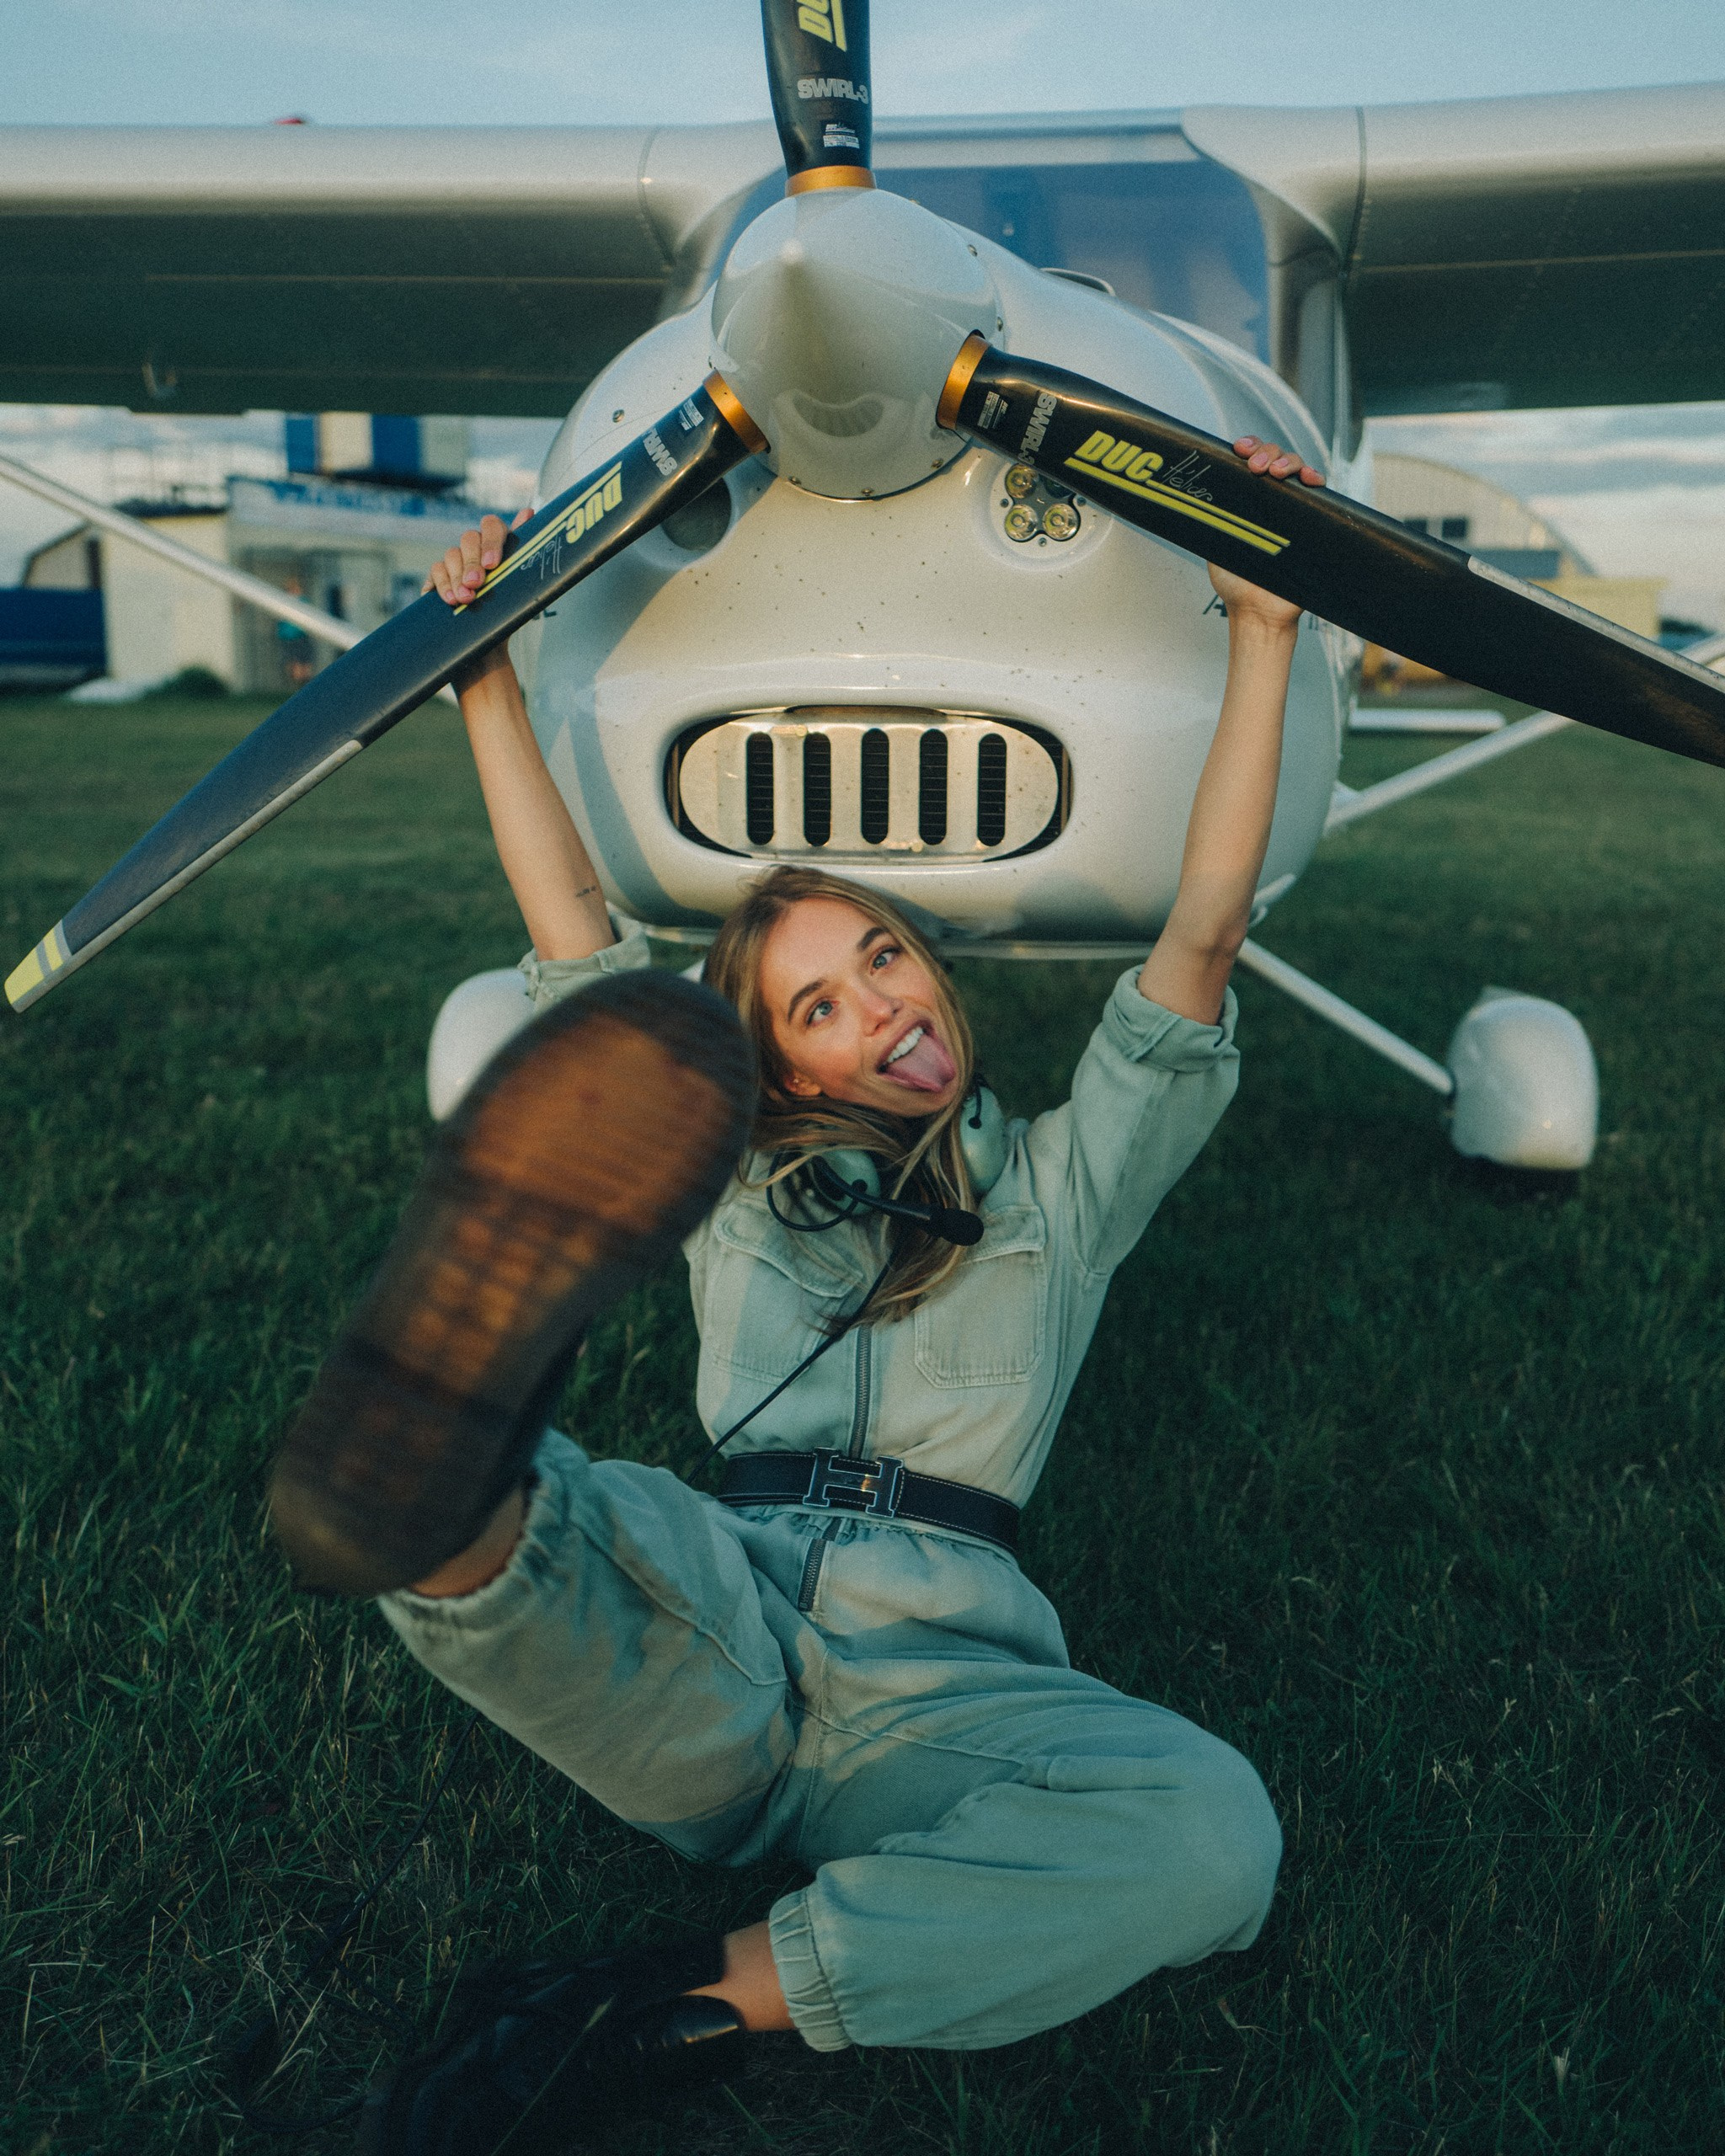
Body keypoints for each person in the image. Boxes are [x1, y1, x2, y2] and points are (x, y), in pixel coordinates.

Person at [268, 437, 1327, 2155]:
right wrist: (482, 683)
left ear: (930, 962)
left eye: (884, 957)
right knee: (564, 1531)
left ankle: (671, 2004)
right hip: (722, 1590)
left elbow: (1198, 937)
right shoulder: (726, 1176)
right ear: (772, 1065)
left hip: (946, 1675)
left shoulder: (1066, 1181)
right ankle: (441, 1471)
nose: (879, 1009)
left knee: (1216, 1830)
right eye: (817, 1007)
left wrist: (1259, 630)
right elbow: (575, 949)